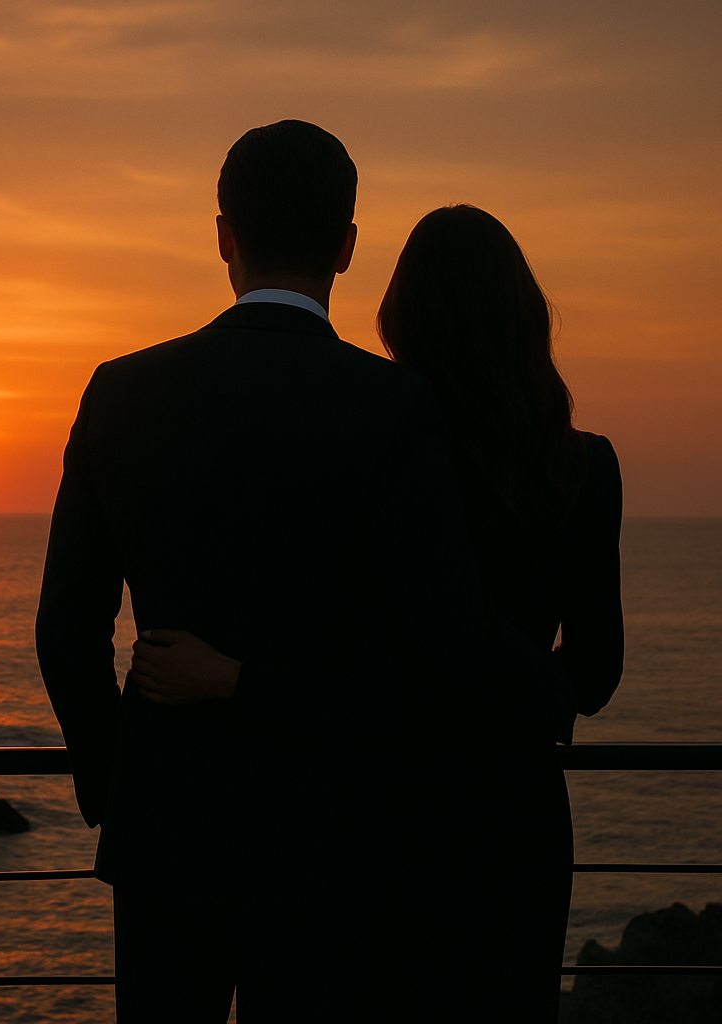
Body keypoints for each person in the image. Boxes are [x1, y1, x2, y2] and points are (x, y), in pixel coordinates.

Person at [36, 122, 573, 1022]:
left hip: (167, 836)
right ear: (348, 247)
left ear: (223, 235)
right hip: (334, 843)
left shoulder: (119, 391)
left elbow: (66, 634)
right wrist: (544, 689)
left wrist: (115, 787)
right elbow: (434, 640)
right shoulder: (393, 407)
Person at [132, 204, 624, 1021]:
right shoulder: (585, 467)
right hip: (516, 817)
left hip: (377, 814)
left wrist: (234, 680)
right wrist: (522, 700)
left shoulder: (373, 442)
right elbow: (596, 676)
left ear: (404, 318)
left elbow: (359, 667)